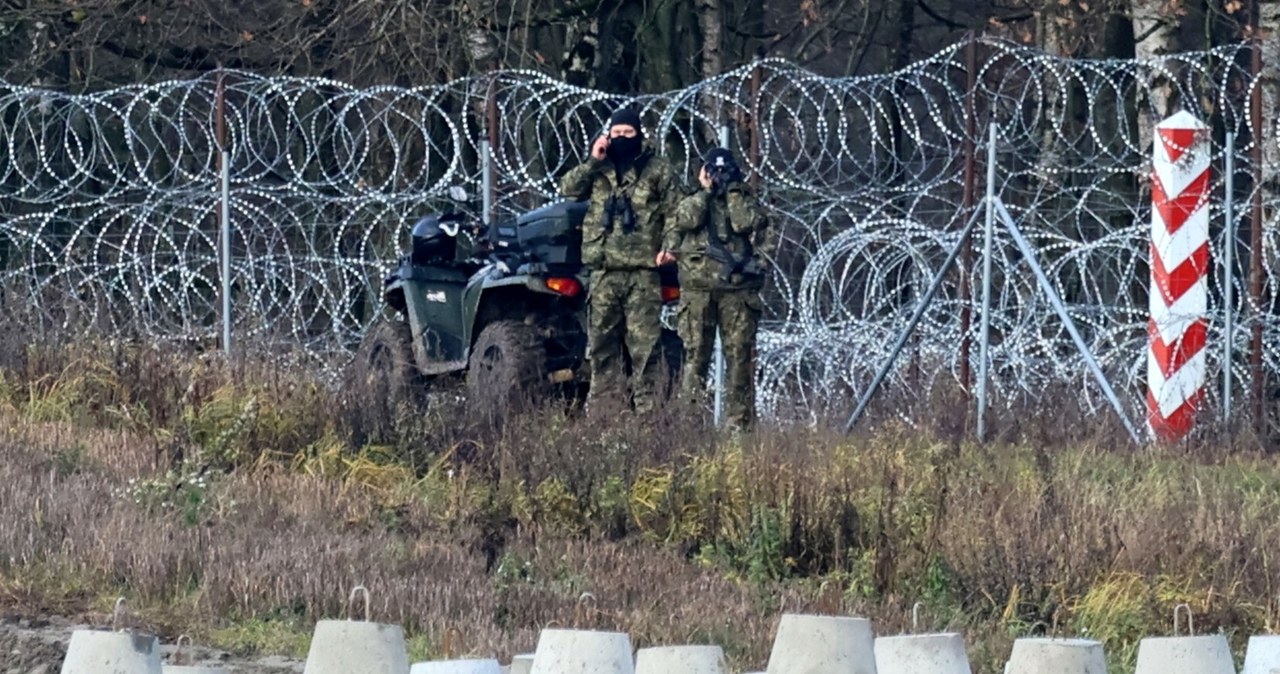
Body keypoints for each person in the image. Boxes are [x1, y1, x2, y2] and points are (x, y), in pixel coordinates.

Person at [559, 106, 680, 414]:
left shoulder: (658, 169)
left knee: (646, 350)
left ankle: (648, 417)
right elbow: (569, 190)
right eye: (617, 134)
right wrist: (593, 160)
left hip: (643, 271)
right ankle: (605, 415)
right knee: (601, 348)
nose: (623, 139)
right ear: (608, 136)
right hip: (603, 271)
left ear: (639, 134)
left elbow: (676, 212)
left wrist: (670, 247)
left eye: (629, 133)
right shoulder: (599, 168)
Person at [664, 148, 773, 429]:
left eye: (726, 170)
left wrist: (734, 189)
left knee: (739, 361)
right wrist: (705, 190)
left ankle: (739, 427)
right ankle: (690, 426)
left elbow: (744, 223)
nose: (720, 175)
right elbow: (686, 220)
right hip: (698, 292)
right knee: (694, 360)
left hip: (737, 293)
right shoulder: (693, 200)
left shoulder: (746, 201)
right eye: (716, 170)